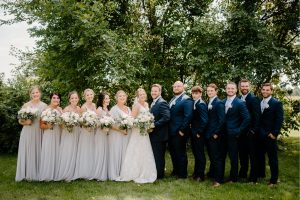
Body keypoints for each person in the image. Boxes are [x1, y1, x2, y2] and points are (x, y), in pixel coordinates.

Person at [116, 88, 157, 183]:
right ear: (137, 96)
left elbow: (149, 116)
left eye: (144, 94)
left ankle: (145, 172)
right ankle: (133, 172)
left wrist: (148, 123)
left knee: (145, 151)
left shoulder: (146, 104)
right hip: (137, 132)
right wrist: (141, 122)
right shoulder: (136, 105)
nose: (142, 95)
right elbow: (132, 120)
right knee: (136, 151)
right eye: (140, 94)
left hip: (144, 132)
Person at [16, 86, 47, 181]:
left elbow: (45, 121)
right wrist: (26, 122)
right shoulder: (26, 105)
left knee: (39, 151)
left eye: (37, 92)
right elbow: (20, 121)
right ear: (30, 94)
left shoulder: (44, 106)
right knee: (28, 151)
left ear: (40, 93)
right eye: (33, 93)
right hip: (28, 131)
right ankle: (27, 173)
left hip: (39, 132)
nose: (35, 94)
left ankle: (38, 172)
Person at [223, 82, 250, 182]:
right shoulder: (223, 101)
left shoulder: (240, 103)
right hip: (223, 134)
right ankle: (220, 175)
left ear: (236, 90)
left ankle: (233, 177)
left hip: (233, 134)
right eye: (228, 88)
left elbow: (247, 118)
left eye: (232, 88)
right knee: (222, 155)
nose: (230, 90)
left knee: (233, 157)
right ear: (226, 89)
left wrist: (238, 130)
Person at [258, 83, 284, 186]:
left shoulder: (276, 103)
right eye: (263, 89)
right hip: (260, 135)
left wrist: (274, 133)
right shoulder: (260, 102)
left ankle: (274, 179)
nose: (265, 91)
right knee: (260, 156)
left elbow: (279, 119)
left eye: (267, 90)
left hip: (270, 135)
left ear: (271, 91)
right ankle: (261, 174)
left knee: (272, 158)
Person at [168, 81, 193, 178]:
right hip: (171, 131)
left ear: (183, 88)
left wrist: (182, 130)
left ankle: (182, 174)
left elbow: (188, 116)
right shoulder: (173, 99)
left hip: (180, 131)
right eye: (175, 86)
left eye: (179, 86)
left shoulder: (186, 100)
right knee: (173, 152)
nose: (176, 88)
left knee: (180, 152)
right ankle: (176, 170)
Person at [238, 79, 261, 183]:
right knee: (242, 154)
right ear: (239, 87)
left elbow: (257, 117)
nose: (244, 88)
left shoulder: (254, 99)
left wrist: (253, 131)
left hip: (251, 133)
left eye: (246, 86)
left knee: (253, 156)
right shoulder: (238, 99)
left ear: (249, 87)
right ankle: (243, 173)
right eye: (242, 86)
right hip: (241, 132)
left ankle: (253, 177)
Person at [56, 91, 81, 181]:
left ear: (78, 99)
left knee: (75, 151)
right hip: (68, 133)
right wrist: (69, 124)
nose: (74, 99)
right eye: (72, 98)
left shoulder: (79, 109)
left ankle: (73, 172)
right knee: (68, 151)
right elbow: (61, 125)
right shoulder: (66, 109)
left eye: (76, 98)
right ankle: (65, 173)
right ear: (69, 100)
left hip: (77, 132)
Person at [73, 89, 96, 180]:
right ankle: (83, 172)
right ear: (84, 97)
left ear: (93, 95)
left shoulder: (94, 105)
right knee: (85, 150)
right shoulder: (83, 107)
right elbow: (81, 122)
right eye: (87, 95)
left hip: (93, 131)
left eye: (91, 94)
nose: (89, 96)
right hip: (86, 131)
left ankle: (91, 171)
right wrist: (88, 126)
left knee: (91, 150)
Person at [205, 83, 225, 187]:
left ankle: (219, 180)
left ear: (216, 91)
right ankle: (213, 174)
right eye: (208, 91)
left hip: (215, 135)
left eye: (211, 91)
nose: (209, 92)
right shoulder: (209, 101)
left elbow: (222, 120)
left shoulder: (219, 103)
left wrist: (216, 133)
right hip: (208, 134)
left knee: (217, 157)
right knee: (212, 156)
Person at [108, 90, 131, 180]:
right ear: (116, 98)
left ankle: (124, 172)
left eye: (123, 96)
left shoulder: (128, 109)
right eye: (120, 96)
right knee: (117, 153)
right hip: (117, 135)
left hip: (127, 134)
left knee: (125, 153)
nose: (122, 97)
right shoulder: (114, 109)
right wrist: (121, 130)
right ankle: (116, 173)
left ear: (126, 97)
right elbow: (110, 124)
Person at [39, 93, 62, 181]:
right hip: (49, 134)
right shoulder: (46, 109)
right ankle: (47, 174)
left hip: (58, 133)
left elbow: (61, 123)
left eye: (57, 98)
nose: (56, 99)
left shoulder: (60, 109)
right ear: (50, 99)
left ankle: (56, 174)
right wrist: (48, 126)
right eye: (54, 98)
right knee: (49, 152)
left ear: (59, 100)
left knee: (57, 152)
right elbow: (41, 125)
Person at [149, 84, 170, 179]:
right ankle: (157, 172)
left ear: (160, 92)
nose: (153, 92)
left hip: (159, 134)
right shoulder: (154, 102)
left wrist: (154, 124)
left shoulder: (162, 102)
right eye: (152, 91)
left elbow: (166, 117)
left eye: (156, 91)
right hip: (155, 134)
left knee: (159, 155)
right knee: (156, 155)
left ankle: (159, 175)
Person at [190, 86, 208, 182]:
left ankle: (201, 175)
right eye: (193, 93)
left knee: (200, 154)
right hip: (194, 132)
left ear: (200, 94)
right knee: (196, 154)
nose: (194, 95)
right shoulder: (195, 102)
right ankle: (196, 173)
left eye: (196, 93)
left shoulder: (201, 104)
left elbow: (204, 120)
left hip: (199, 134)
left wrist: (199, 132)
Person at [92, 92, 110, 181]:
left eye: (108, 98)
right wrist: (103, 124)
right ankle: (98, 174)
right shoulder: (99, 109)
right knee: (100, 153)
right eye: (106, 98)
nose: (107, 100)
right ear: (102, 100)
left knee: (104, 153)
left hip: (106, 134)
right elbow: (95, 124)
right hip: (100, 134)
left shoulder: (107, 109)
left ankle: (104, 173)